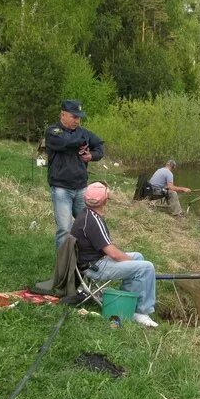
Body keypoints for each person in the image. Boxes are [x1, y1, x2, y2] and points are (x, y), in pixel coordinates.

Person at [71, 182, 158, 327]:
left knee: (138, 256)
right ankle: (141, 312)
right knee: (146, 267)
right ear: (105, 200)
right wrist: (128, 261)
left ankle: (128, 303)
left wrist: (131, 260)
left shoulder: (87, 214)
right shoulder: (92, 220)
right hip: (95, 267)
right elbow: (113, 253)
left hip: (93, 261)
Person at [45, 100, 104, 250]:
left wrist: (91, 155)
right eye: (74, 117)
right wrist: (83, 141)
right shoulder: (53, 131)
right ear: (62, 115)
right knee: (65, 229)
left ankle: (86, 262)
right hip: (61, 188)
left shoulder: (83, 133)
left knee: (88, 225)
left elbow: (99, 146)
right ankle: (63, 268)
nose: (77, 121)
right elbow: (66, 142)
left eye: (79, 118)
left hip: (81, 188)